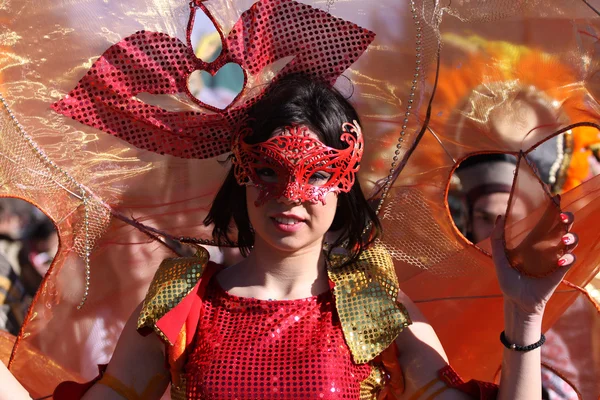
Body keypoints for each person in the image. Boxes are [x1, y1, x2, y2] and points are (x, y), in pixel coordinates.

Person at [0, 73, 576, 399]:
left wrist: (524, 318)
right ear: (242, 174)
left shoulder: (368, 300)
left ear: (344, 183)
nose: (292, 196)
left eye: (318, 175)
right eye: (270, 171)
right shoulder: (187, 297)